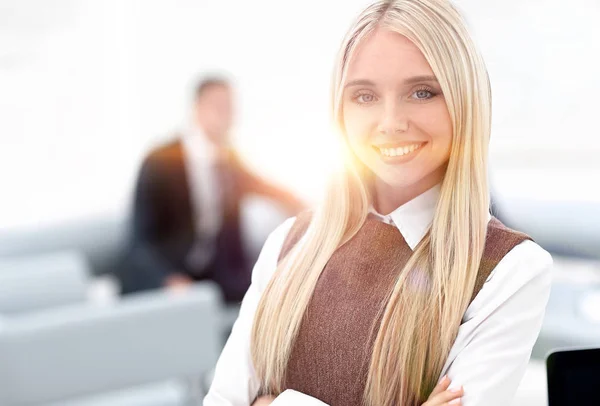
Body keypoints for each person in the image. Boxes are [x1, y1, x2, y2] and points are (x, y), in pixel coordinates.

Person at [204, 1, 552, 405]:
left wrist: (277, 402)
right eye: (365, 95)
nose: (391, 121)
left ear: (465, 99)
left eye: (422, 92)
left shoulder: (510, 269)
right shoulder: (290, 242)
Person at [119, 77, 305, 302]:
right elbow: (141, 241)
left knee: (281, 290)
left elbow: (266, 187)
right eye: (218, 106)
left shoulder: (228, 160)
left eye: (230, 107)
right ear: (197, 110)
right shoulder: (160, 161)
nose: (226, 115)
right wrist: (168, 279)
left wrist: (305, 208)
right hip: (167, 276)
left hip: (216, 277)